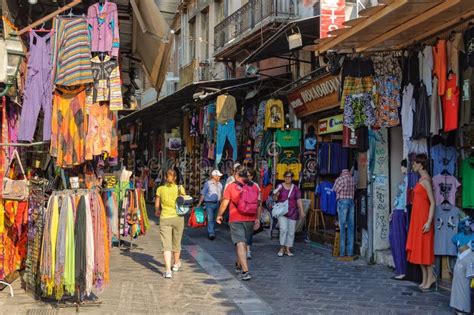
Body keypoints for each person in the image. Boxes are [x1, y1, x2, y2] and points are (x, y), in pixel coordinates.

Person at [217, 165, 260, 281]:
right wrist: (257, 219)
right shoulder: (254, 187)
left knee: (240, 242)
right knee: (243, 243)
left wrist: (219, 215)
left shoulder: (231, 187)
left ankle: (245, 271)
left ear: (236, 174)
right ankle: (238, 263)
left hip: (236, 218)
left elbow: (225, 203)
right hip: (250, 219)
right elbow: (258, 204)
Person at [406, 153, 436, 292]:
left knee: (426, 250)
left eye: (415, 163)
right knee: (420, 249)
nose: (413, 165)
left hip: (424, 219)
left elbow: (433, 203)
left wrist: (429, 221)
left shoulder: (426, 181)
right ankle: (425, 279)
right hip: (418, 218)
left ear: (421, 164)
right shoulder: (421, 180)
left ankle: (430, 278)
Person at [155, 169, 186, 279]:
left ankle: (168, 271)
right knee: (177, 242)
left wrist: (157, 211)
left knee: (166, 245)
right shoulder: (180, 188)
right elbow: (184, 201)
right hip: (178, 218)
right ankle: (176, 263)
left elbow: (157, 205)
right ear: (175, 178)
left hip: (165, 218)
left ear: (164, 178)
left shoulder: (160, 189)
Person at [273, 171, 304, 257]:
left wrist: (301, 210)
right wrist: (276, 195)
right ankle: (282, 247)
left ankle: (288, 248)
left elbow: (298, 199)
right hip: (282, 212)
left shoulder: (295, 188)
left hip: (293, 212)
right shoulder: (280, 186)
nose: (288, 178)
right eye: (286, 176)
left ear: (292, 178)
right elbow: (275, 198)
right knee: (283, 229)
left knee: (291, 232)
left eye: (289, 177)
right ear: (284, 177)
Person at [389, 159, 409, 280]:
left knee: (399, 240)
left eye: (402, 166)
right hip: (398, 211)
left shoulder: (408, 181)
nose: (401, 169)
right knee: (394, 239)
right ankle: (400, 268)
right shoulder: (405, 180)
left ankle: (402, 270)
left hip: (402, 212)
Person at [333, 168, 356, 257]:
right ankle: (350, 252)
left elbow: (335, 189)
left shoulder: (340, 179)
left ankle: (342, 252)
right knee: (351, 227)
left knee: (342, 226)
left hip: (343, 202)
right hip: (351, 201)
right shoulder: (352, 179)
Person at [197, 169, 223, 240]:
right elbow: (203, 194)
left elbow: (221, 195)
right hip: (209, 204)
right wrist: (199, 204)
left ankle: (212, 230)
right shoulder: (207, 183)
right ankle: (211, 233)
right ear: (214, 176)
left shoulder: (220, 184)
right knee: (210, 218)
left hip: (217, 204)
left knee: (215, 219)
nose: (219, 177)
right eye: (218, 176)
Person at [246, 168, 263, 259]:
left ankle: (248, 250)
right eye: (246, 175)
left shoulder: (256, 186)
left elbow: (259, 202)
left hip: (251, 213)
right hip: (241, 213)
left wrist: (258, 218)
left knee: (249, 233)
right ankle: (242, 248)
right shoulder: (240, 184)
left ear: (252, 176)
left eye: (249, 175)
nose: (247, 177)